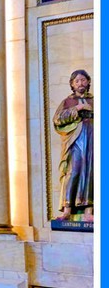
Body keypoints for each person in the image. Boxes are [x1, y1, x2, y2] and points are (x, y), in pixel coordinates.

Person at [53, 69, 93, 222]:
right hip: (75, 140)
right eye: (77, 81)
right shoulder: (67, 102)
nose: (80, 83)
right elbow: (58, 119)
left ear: (88, 82)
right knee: (73, 171)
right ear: (72, 84)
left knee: (90, 172)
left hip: (92, 138)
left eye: (83, 80)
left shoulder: (95, 100)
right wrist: (78, 108)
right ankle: (67, 209)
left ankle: (89, 211)